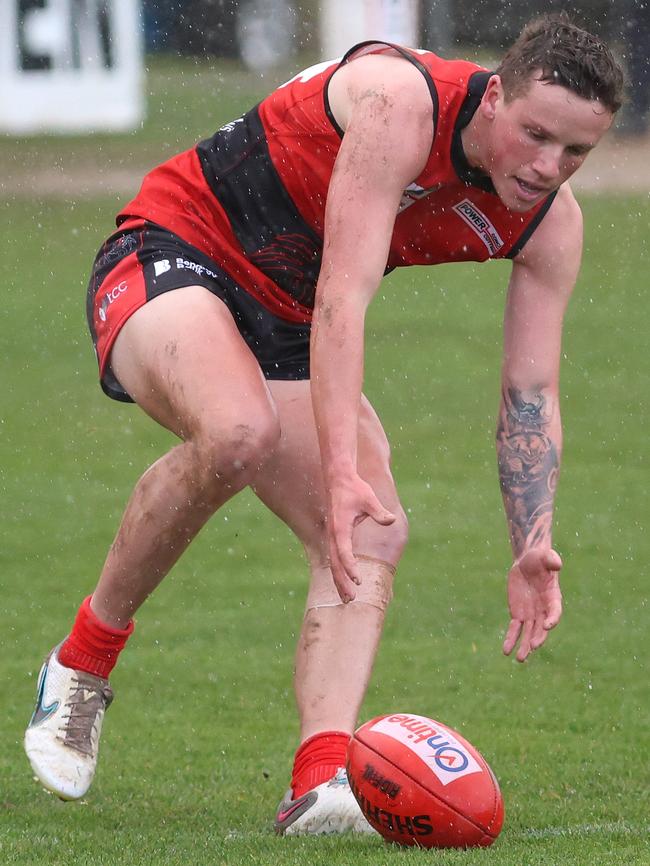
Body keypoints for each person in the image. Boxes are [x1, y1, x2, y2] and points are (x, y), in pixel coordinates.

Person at [24, 14, 623, 835]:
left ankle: (318, 787)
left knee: (373, 528)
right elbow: (345, 293)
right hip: (176, 249)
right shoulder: (399, 104)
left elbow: (530, 388)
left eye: (576, 153)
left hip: (286, 319)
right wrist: (338, 466)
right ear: (494, 100)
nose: (548, 167)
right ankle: (80, 665)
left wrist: (532, 539)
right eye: (537, 135)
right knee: (239, 433)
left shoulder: (550, 223)